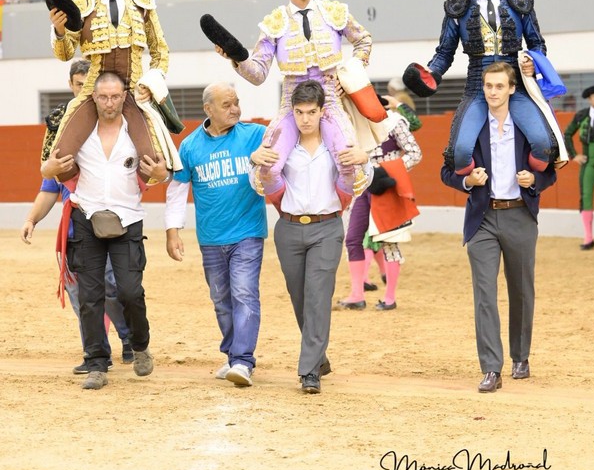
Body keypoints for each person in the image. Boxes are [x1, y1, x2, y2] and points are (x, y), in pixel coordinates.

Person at [215, 0, 372, 211]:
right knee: (267, 168)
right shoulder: (275, 23)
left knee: (350, 164)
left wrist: (350, 73)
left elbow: (363, 40)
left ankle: (335, 213)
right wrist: (236, 58)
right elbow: (258, 74)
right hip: (291, 102)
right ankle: (287, 213)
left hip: (329, 100)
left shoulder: (333, 12)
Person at [441, 62, 557, 393]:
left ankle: (521, 356)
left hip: (520, 215)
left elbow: (551, 171)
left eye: (499, 86)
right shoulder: (471, 126)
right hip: (482, 219)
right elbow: (446, 171)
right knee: (484, 294)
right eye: (488, 86)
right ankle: (491, 367)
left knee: (521, 290)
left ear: (511, 89)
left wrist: (534, 179)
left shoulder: (527, 128)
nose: (493, 92)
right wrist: (467, 181)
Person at [257, 79, 372, 394]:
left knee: (318, 298)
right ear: (292, 112)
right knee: (300, 299)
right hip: (289, 228)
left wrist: (365, 160)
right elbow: (260, 176)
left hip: (327, 227)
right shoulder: (282, 146)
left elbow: (362, 174)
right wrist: (255, 160)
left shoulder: (337, 145)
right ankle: (318, 357)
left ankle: (308, 372)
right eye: (299, 112)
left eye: (311, 111)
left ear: (322, 112)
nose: (305, 118)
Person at [21, 59, 134, 374]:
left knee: (112, 287)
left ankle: (127, 336)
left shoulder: (115, 124)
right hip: (74, 227)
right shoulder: (65, 129)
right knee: (80, 293)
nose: (83, 91)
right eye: (78, 84)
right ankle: (96, 353)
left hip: (109, 221)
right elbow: (50, 186)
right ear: (71, 86)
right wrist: (32, 218)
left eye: (89, 84)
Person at [56, 72, 167, 389]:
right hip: (87, 217)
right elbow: (54, 161)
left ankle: (140, 344)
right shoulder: (79, 130)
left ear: (124, 96)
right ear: (93, 96)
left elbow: (162, 170)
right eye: (103, 96)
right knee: (90, 296)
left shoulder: (139, 129)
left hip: (128, 219)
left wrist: (159, 172)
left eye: (115, 96)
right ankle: (96, 363)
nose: (109, 103)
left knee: (130, 290)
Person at [423, 0, 558, 174]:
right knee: (460, 153)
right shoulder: (457, 8)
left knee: (544, 145)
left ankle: (525, 183)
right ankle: (479, 188)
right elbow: (445, 52)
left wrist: (532, 63)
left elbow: (537, 43)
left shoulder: (519, 3)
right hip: (478, 83)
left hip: (514, 81)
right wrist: (430, 74)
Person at [165, 83, 268, 387]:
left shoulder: (255, 136)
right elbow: (177, 191)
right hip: (210, 239)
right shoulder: (190, 146)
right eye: (227, 105)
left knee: (244, 294)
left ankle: (242, 360)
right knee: (221, 300)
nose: (235, 109)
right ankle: (233, 355)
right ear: (208, 109)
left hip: (248, 233)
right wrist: (173, 231)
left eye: (236, 102)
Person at [47, 0, 170, 183]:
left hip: (134, 89)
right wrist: (59, 31)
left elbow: (160, 51)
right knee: (59, 163)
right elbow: (65, 54)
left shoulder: (141, 2)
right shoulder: (81, 6)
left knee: (154, 166)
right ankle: (88, 188)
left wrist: (151, 83)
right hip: (94, 89)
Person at [340, 99, 422, 311]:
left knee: (389, 242)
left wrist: (386, 171)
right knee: (353, 238)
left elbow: (415, 153)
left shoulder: (394, 122)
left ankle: (390, 298)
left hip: (386, 187)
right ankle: (357, 294)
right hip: (362, 186)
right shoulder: (352, 127)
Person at [564, 85, 594, 250]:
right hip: (587, 162)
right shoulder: (582, 115)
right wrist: (574, 155)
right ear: (589, 99)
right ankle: (588, 237)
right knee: (586, 196)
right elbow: (567, 134)